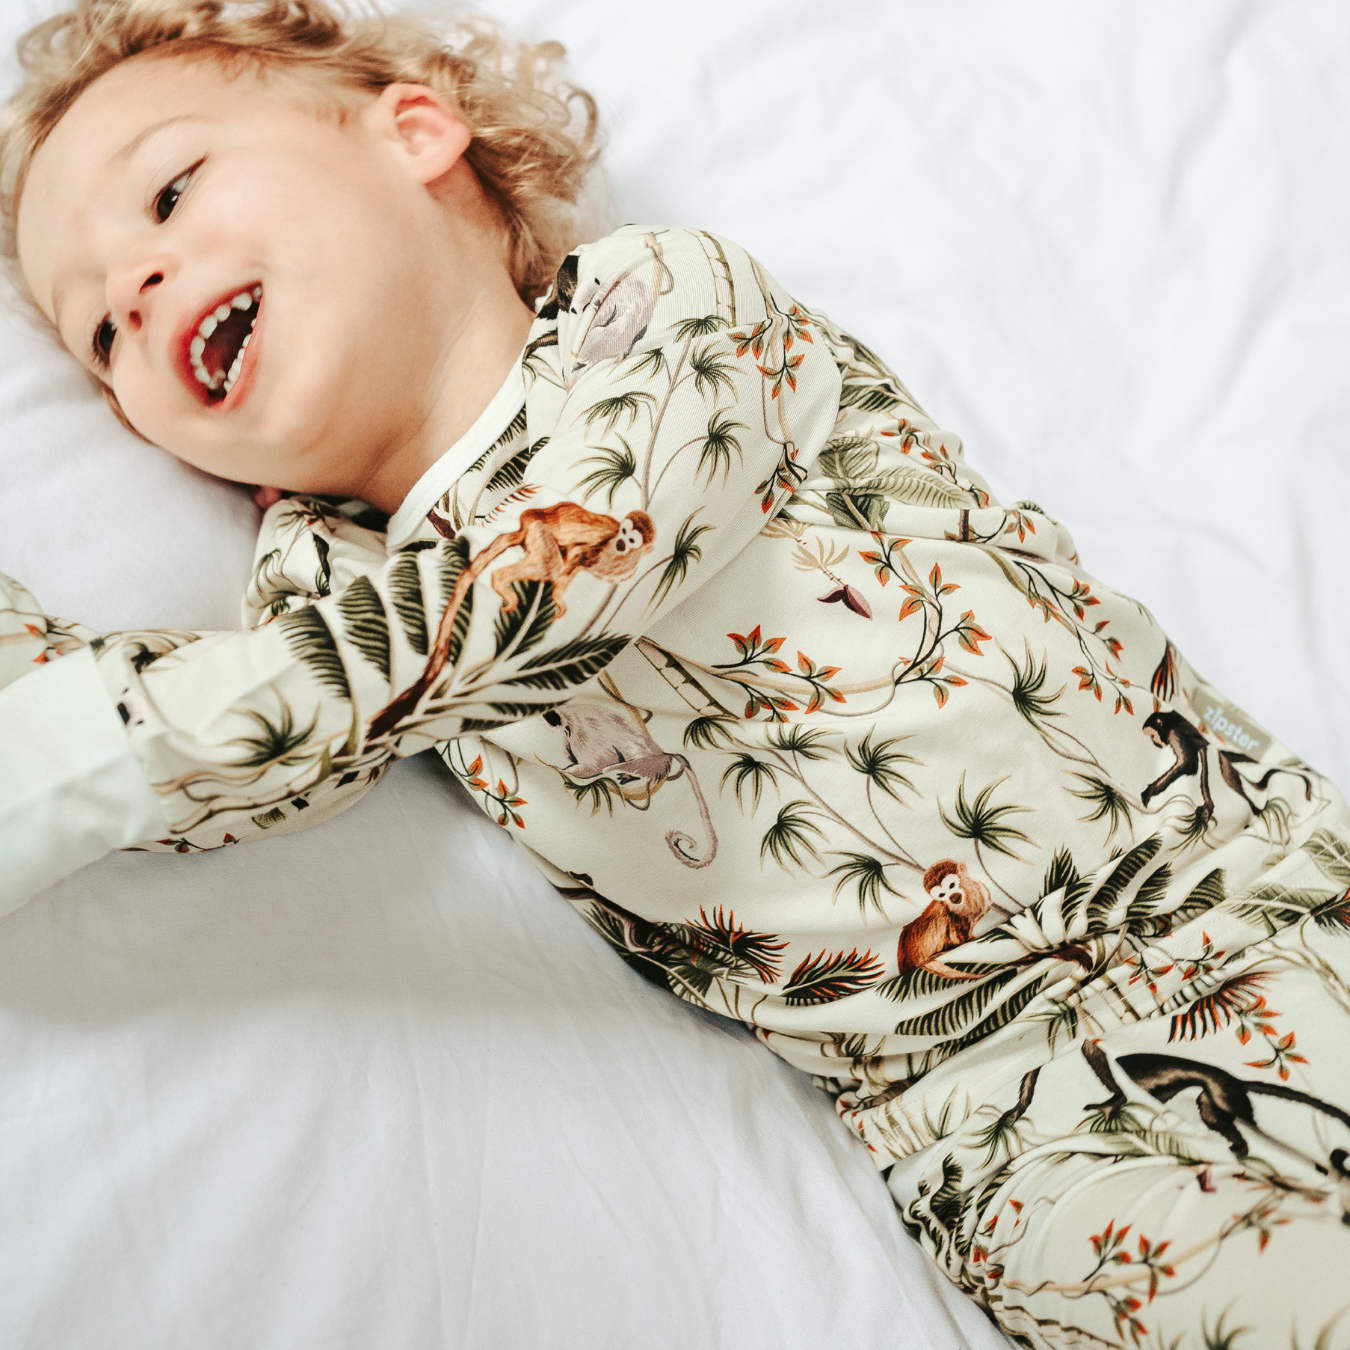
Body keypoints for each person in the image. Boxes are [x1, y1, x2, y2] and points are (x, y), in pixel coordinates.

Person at [3, 2, 1350, 1345]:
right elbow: (245, 760)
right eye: (100, 340)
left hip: (1237, 887)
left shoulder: (664, 310)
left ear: (414, 134)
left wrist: (84, 752)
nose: (134, 290)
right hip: (990, 1116)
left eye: (170, 194)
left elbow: (534, 586)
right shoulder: (324, 590)